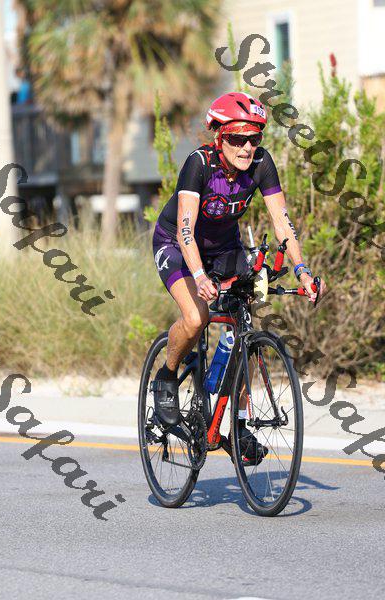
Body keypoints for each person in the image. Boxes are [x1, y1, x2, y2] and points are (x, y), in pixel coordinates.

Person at [151, 92, 327, 461]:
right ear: (219, 136)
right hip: (177, 244)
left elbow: (282, 222)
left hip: (225, 249)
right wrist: (199, 276)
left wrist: (302, 270)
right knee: (196, 317)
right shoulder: (199, 163)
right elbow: (185, 229)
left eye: (254, 138)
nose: (247, 147)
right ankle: (166, 377)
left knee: (243, 328)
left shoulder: (261, 163)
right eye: (237, 138)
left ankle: (238, 423)